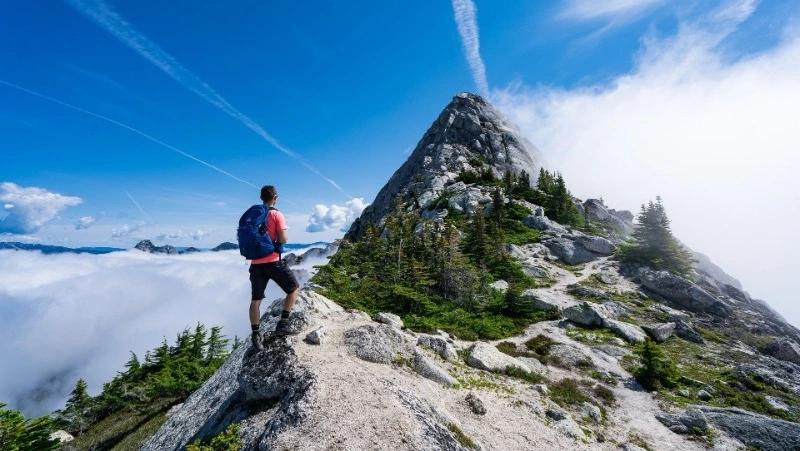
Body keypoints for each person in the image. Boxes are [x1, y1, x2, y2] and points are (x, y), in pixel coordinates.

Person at [249, 185, 300, 350]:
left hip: (256, 264)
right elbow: (283, 239)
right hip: (273, 261)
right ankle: (282, 324)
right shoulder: (276, 214)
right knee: (294, 289)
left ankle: (256, 335)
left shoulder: (253, 216)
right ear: (275, 198)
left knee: (256, 301)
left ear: (261, 198)